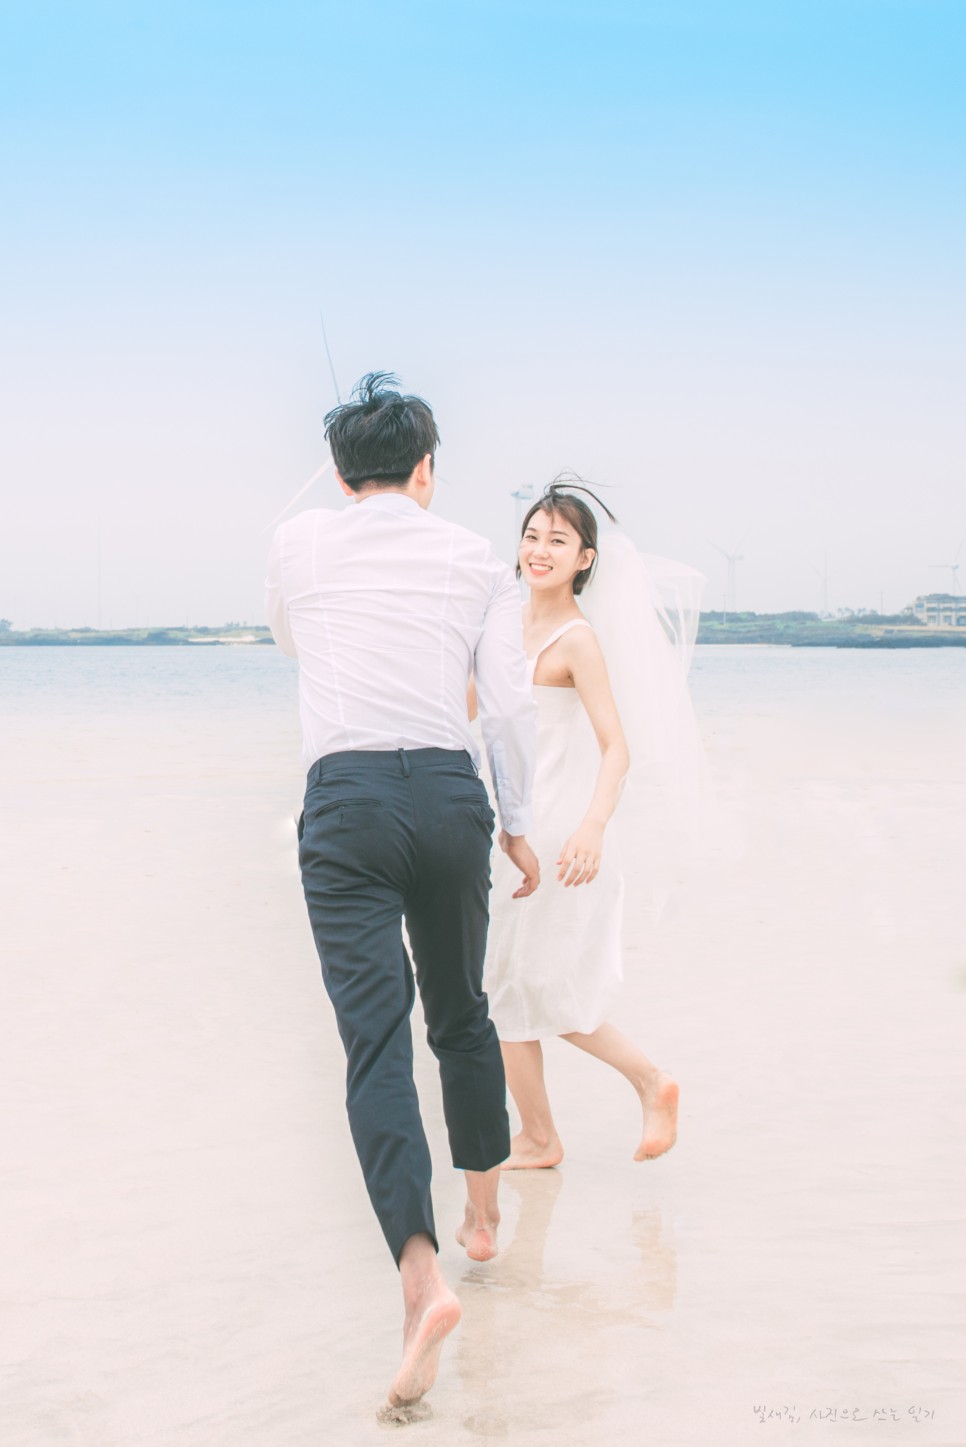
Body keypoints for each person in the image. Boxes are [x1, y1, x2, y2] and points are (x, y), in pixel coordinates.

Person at [265, 373, 539, 1411]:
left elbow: (292, 638)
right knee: (461, 1010)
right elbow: (505, 708)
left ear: (341, 475)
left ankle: (421, 1282)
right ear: (427, 470)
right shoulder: (476, 557)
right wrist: (516, 821)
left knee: (376, 1040)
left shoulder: (298, 541)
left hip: (347, 802)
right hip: (450, 792)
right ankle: (484, 1217)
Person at [482, 483, 692, 1170]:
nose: (539, 551)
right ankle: (547, 1132)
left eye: (558, 540)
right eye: (532, 536)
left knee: (520, 985)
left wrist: (593, 826)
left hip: (553, 830)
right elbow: (470, 711)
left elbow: (616, 747)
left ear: (585, 559)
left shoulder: (577, 640)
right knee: (510, 984)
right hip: (501, 826)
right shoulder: (502, 624)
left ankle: (638, 1086)